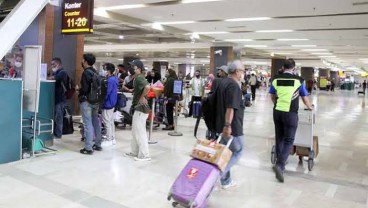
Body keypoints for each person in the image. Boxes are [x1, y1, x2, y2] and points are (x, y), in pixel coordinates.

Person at [269, 58, 314, 183]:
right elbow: (305, 98)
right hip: (290, 114)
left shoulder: (275, 79)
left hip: (277, 112)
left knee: (280, 138)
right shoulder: (299, 81)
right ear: (294, 68)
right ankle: (280, 165)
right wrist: (310, 107)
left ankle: (280, 164)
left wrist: (278, 104)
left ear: (283, 67)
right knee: (289, 140)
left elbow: (272, 97)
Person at [214, 60, 245, 189]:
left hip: (219, 123)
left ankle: (226, 181)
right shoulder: (234, 86)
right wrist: (228, 125)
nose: (243, 73)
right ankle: (216, 176)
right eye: (243, 71)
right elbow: (230, 107)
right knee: (238, 150)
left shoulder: (222, 82)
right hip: (232, 126)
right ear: (237, 71)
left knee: (225, 153)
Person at [125, 60, 151, 161]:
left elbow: (148, 87)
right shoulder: (137, 78)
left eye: (133, 66)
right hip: (137, 107)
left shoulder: (139, 77)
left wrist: (142, 97)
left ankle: (145, 155)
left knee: (140, 132)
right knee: (135, 131)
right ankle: (134, 152)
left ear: (139, 69)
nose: (131, 68)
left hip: (141, 108)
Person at [79, 53, 102, 155]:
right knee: (96, 122)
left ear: (86, 62)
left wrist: (78, 90)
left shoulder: (86, 73)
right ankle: (98, 144)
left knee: (87, 124)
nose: (82, 62)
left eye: (83, 60)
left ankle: (88, 148)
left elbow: (84, 89)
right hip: (96, 101)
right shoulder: (96, 72)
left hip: (87, 101)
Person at [49, 57, 68, 139]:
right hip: (56, 99)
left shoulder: (62, 72)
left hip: (60, 100)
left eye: (54, 64)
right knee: (55, 117)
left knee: (58, 118)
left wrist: (50, 76)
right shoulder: (56, 72)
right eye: (51, 64)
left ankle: (58, 134)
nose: (52, 66)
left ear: (59, 64)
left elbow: (53, 79)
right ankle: (55, 133)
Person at [101, 63, 119, 145]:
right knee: (111, 121)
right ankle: (112, 137)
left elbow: (106, 93)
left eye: (105, 69)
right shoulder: (114, 79)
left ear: (108, 71)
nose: (104, 71)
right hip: (112, 103)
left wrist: (101, 101)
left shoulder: (110, 80)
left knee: (107, 121)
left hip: (107, 103)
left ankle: (109, 139)